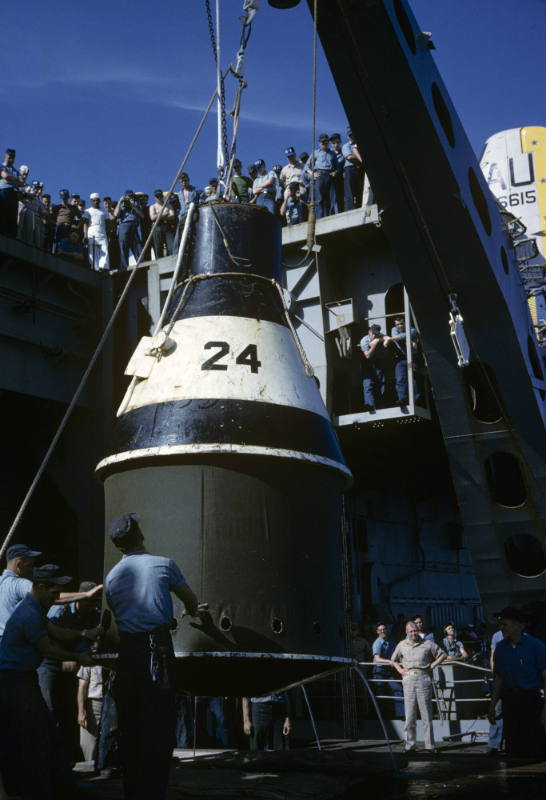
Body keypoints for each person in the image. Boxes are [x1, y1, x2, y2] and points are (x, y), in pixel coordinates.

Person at [104, 512, 201, 800]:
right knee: (157, 725)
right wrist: (190, 612)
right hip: (155, 649)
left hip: (127, 652)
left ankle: (132, 790)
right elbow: (191, 601)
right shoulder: (163, 565)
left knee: (130, 724)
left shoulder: (111, 578)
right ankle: (153, 791)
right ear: (140, 535)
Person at [0, 564, 95, 799]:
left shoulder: (36, 608)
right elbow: (49, 648)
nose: (56, 598)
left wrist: (84, 634)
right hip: (15, 682)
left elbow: (56, 632)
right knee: (34, 737)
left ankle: (55, 787)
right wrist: (77, 656)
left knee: (44, 733)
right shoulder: (30, 614)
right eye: (53, 593)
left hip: (22, 679)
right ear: (40, 587)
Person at [38, 581, 102, 765]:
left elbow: (93, 637)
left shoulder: (93, 614)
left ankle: (69, 754)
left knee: (70, 705)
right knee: (48, 704)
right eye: (89, 602)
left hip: (75, 659)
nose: (91, 607)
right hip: (51, 657)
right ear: (80, 598)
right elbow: (50, 635)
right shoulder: (60, 611)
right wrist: (67, 656)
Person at [0, 543, 103, 644]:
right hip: (12, 645)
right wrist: (86, 595)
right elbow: (49, 597)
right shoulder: (18, 584)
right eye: (30, 565)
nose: (32, 570)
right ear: (19, 564)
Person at [488, 606, 546, 759]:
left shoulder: (535, 646)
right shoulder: (500, 648)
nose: (501, 628)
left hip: (530, 700)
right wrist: (492, 705)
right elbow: (499, 678)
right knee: (513, 745)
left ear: (519, 625)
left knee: (534, 745)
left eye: (505, 624)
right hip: (510, 701)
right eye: (500, 624)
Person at [391, 620, 446, 752]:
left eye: (415, 630)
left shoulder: (427, 644)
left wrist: (433, 665)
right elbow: (393, 660)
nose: (413, 633)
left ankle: (430, 745)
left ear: (418, 630)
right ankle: (410, 745)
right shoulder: (401, 645)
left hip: (423, 677)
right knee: (410, 714)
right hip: (408, 678)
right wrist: (399, 669)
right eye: (410, 631)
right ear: (406, 632)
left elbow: (443, 654)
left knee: (426, 713)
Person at [372, 621, 404, 716]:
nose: (383, 631)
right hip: (379, 671)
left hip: (389, 671)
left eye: (384, 629)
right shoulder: (377, 643)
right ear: (377, 632)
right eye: (380, 630)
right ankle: (381, 715)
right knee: (380, 693)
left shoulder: (391, 641)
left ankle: (401, 715)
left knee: (397, 689)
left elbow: (396, 653)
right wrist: (390, 661)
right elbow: (377, 658)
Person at [359, 323, 392, 412]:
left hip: (377, 362)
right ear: (369, 332)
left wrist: (383, 342)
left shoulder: (378, 335)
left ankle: (382, 405)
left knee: (381, 383)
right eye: (373, 333)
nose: (374, 335)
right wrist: (374, 344)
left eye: (376, 333)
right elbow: (368, 356)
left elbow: (387, 338)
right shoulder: (364, 340)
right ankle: (370, 405)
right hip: (366, 362)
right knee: (368, 384)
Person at [389, 316, 421, 406]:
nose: (399, 326)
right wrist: (409, 341)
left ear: (405, 323)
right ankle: (402, 399)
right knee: (400, 379)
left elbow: (401, 337)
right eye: (397, 324)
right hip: (401, 358)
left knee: (413, 378)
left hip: (412, 357)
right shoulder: (394, 329)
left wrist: (399, 338)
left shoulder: (413, 330)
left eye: (401, 324)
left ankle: (416, 400)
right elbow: (396, 337)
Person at [77, 664, 103, 763]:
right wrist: (81, 711)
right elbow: (82, 686)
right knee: (88, 740)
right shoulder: (88, 659)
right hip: (94, 701)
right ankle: (89, 764)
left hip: (111, 699)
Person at [113, 190, 143, 270]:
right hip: (123, 225)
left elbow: (142, 215)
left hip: (134, 225)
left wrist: (133, 206)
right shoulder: (122, 204)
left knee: (137, 245)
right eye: (128, 196)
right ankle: (124, 266)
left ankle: (141, 263)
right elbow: (115, 214)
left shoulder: (136, 203)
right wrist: (120, 202)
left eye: (131, 196)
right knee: (123, 245)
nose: (130, 197)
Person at [487, 622, 504, 754]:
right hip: (501, 678)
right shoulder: (497, 637)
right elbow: (493, 655)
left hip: (516, 682)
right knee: (497, 711)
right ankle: (494, 744)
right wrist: (494, 673)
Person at [310, 134, 337, 219]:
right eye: (322, 142)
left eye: (326, 142)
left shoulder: (332, 153)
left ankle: (329, 215)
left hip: (329, 175)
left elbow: (336, 166)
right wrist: (312, 173)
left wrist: (335, 172)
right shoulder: (315, 153)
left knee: (330, 197)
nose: (324, 144)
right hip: (319, 175)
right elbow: (307, 166)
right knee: (320, 198)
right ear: (319, 143)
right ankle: (319, 217)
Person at [83, 193, 110, 271]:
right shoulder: (87, 211)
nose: (96, 202)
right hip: (92, 231)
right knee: (92, 250)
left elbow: (108, 224)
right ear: (91, 201)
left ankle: (104, 267)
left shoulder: (104, 211)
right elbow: (85, 224)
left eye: (97, 200)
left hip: (102, 230)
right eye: (94, 200)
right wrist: (85, 235)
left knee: (104, 249)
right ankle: (94, 268)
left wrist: (108, 235)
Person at [0, 148, 23, 237]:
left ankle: (11, 236)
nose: (11, 159)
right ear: (5, 156)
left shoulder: (15, 171)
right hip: (4, 192)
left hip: (14, 194)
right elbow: (5, 178)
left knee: (12, 218)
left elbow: (21, 183)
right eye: (10, 156)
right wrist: (16, 180)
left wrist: (12, 180)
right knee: (3, 215)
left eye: (13, 157)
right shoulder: (2, 166)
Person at [342, 127, 363, 210]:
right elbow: (349, 157)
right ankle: (349, 209)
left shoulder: (359, 144)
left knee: (359, 190)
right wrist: (360, 158)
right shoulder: (346, 146)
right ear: (348, 136)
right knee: (349, 191)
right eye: (350, 135)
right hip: (350, 169)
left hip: (360, 169)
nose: (351, 136)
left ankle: (360, 206)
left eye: (352, 135)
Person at [329, 133, 345, 213]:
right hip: (331, 180)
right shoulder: (329, 154)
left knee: (342, 197)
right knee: (333, 199)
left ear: (340, 141)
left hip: (342, 178)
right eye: (333, 143)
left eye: (337, 142)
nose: (336, 145)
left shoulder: (343, 152)